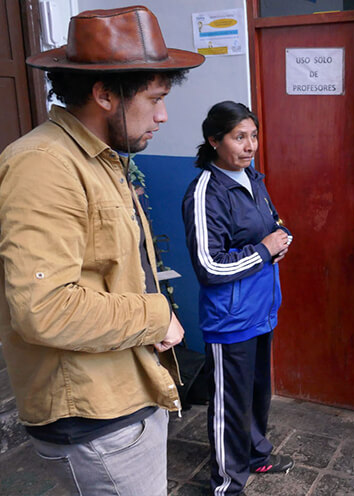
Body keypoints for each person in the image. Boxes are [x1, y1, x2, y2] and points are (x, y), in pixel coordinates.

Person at [0, 6, 204, 495]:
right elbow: (43, 308)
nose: (163, 115)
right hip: (97, 416)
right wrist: (156, 316)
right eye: (155, 98)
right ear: (105, 93)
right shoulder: (44, 166)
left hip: (122, 390)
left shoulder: (100, 158)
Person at [182, 101, 294, 495]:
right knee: (229, 403)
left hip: (261, 309)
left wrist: (282, 240)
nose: (250, 146)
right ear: (214, 140)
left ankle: (255, 455)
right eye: (239, 137)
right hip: (229, 318)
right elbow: (209, 267)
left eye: (253, 136)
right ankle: (226, 484)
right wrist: (264, 250)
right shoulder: (205, 192)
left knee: (257, 394)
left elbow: (273, 224)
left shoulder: (253, 179)